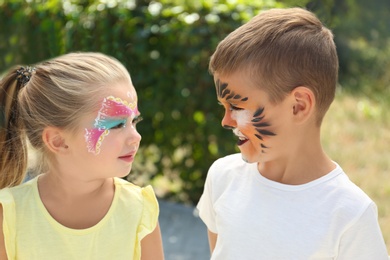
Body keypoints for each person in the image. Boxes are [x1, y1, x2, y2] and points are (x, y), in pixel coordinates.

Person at [196, 7, 388, 259]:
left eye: (237, 107)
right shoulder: (223, 178)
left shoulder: (349, 216)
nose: (226, 120)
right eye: (224, 107)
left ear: (298, 106)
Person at [0, 52, 164, 259]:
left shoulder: (139, 210)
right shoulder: (9, 215)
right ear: (58, 141)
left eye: (134, 122)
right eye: (116, 125)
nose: (135, 137)